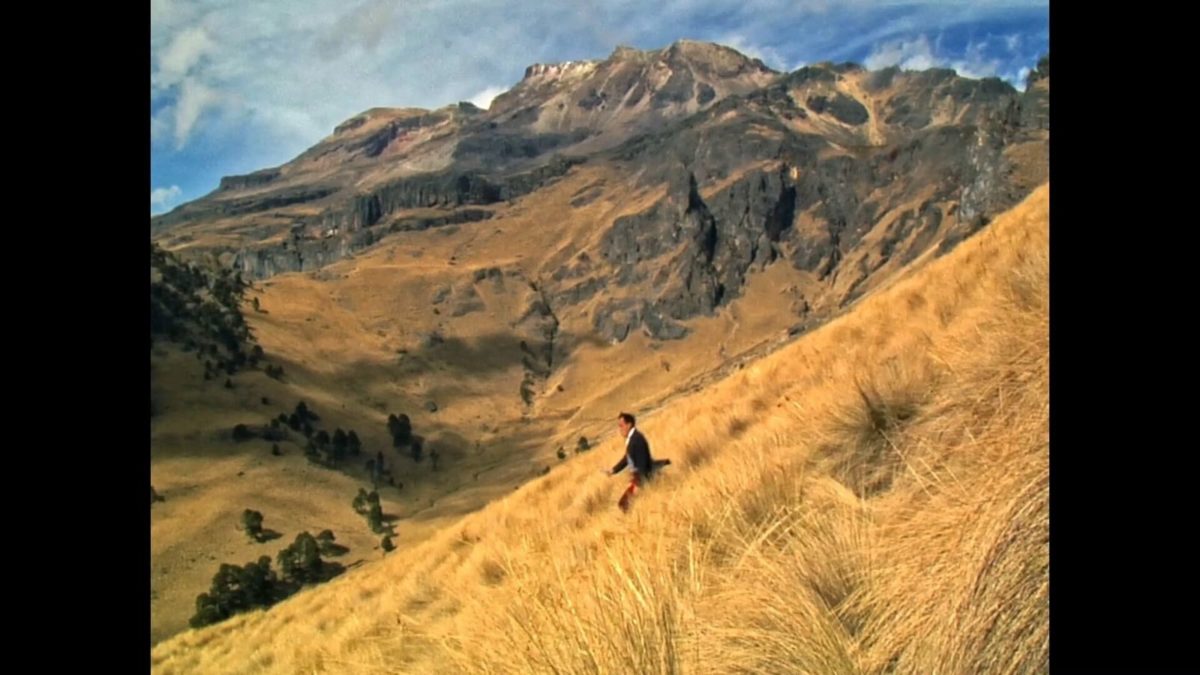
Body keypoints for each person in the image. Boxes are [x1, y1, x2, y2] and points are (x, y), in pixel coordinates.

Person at [604, 412, 653, 512]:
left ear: (629, 425)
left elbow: (642, 463)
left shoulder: (636, 439)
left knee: (624, 504)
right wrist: (613, 470)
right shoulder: (633, 438)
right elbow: (627, 458)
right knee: (625, 504)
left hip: (641, 480)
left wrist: (638, 484)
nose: (620, 429)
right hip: (639, 479)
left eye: (621, 426)